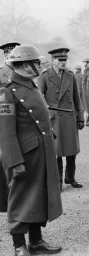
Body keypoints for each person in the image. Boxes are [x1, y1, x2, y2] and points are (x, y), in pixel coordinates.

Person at [0, 45, 62, 256]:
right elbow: (6, 132)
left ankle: (36, 242)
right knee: (20, 199)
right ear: (25, 65)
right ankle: (19, 246)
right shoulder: (8, 93)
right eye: (36, 62)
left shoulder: (32, 87)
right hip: (23, 156)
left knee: (38, 197)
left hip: (40, 153)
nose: (39, 65)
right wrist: (14, 161)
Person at [38, 48, 84, 191]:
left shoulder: (71, 76)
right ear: (53, 60)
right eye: (60, 60)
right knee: (56, 151)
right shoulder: (45, 76)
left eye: (65, 60)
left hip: (70, 117)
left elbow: (77, 98)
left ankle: (70, 178)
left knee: (71, 150)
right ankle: (57, 181)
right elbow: (40, 98)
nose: (63, 63)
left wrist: (80, 117)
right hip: (54, 119)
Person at [0, 42, 20, 214]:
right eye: (12, 53)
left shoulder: (23, 71)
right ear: (6, 55)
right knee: (8, 164)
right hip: (5, 122)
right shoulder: (0, 73)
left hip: (23, 124)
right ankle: (11, 209)